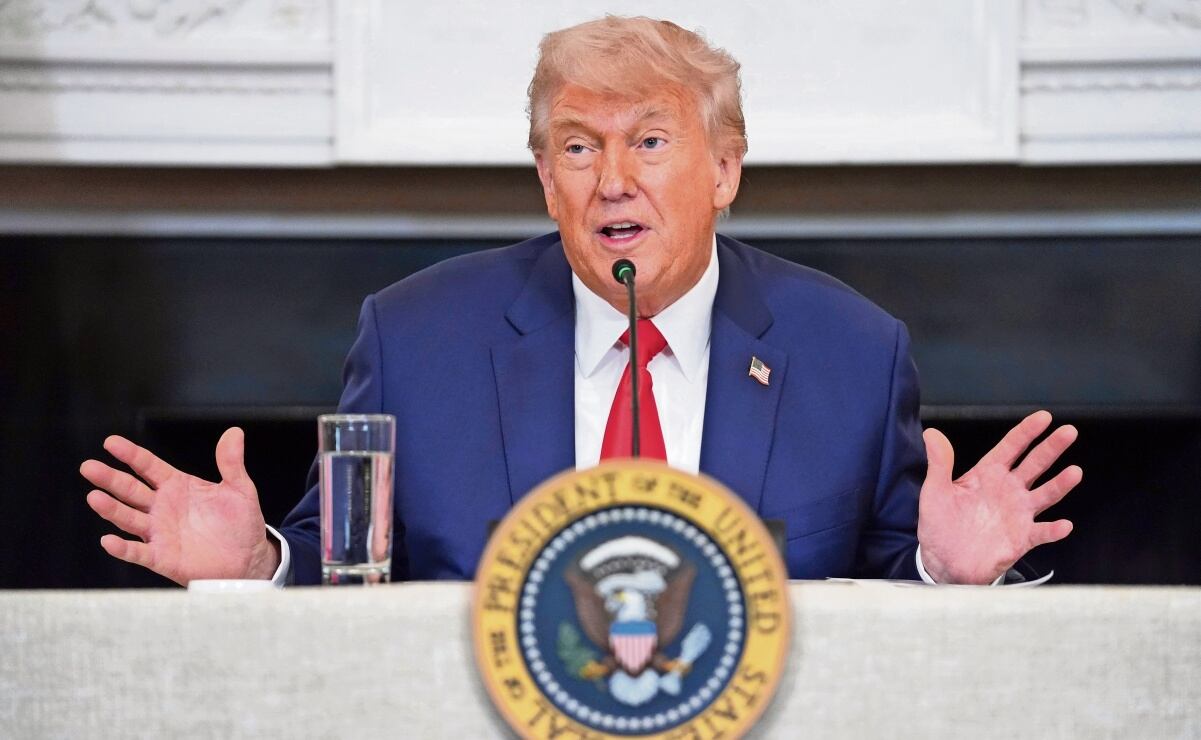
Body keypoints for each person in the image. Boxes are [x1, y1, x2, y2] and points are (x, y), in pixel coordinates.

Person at [80, 16, 1081, 587]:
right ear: (544, 179)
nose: (612, 181)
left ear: (723, 169)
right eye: (576, 146)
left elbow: (889, 587)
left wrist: (947, 572)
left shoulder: (850, 350)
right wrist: (257, 561)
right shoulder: (416, 338)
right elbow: (346, 567)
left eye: (649, 141)